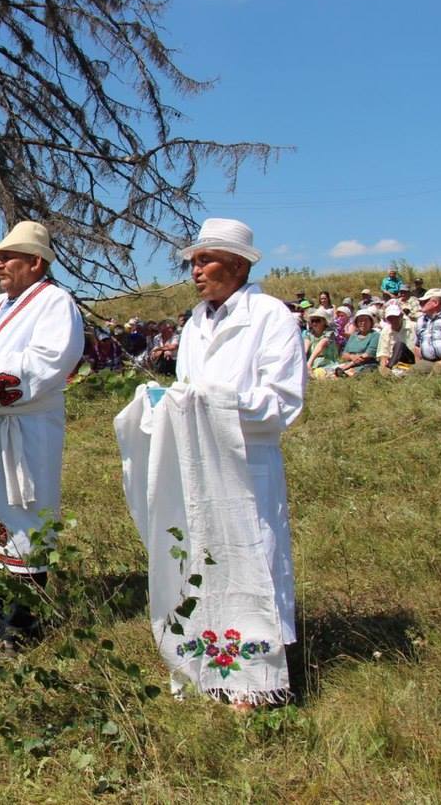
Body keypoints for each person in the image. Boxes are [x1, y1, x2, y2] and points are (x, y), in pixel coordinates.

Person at [116, 217, 303, 708]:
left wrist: (213, 400)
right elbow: (186, 390)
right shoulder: (196, 321)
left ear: (238, 265)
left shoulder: (270, 316)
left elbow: (283, 401)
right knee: (202, 558)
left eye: (206, 260)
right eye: (193, 262)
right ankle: (208, 666)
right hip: (198, 462)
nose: (195, 271)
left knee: (254, 560)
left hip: (246, 460)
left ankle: (259, 684)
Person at [0, 220, 83, 646]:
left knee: (22, 515)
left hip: (23, 429)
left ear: (36, 262)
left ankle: (22, 624)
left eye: (7, 257)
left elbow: (48, 363)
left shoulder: (56, 303)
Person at [333, 309, 380, 377]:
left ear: (371, 322)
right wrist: (352, 356)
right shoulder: (353, 336)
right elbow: (344, 355)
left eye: (366, 320)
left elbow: (367, 355)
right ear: (357, 323)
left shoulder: (375, 335)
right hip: (349, 364)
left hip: (366, 365)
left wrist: (348, 365)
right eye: (360, 320)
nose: (363, 323)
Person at [377, 303, 416, 376]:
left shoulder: (412, 326)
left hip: (410, 359)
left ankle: (390, 368)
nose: (393, 320)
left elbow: (415, 348)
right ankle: (391, 370)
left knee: (399, 345)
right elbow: (383, 353)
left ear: (401, 316)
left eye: (396, 317)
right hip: (395, 361)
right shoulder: (385, 331)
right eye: (390, 318)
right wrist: (383, 365)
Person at [302, 309, 339, 375]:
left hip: (326, 363)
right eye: (312, 321)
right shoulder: (309, 334)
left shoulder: (330, 333)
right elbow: (305, 348)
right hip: (311, 363)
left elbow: (321, 346)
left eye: (317, 321)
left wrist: (309, 363)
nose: (314, 323)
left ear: (324, 322)